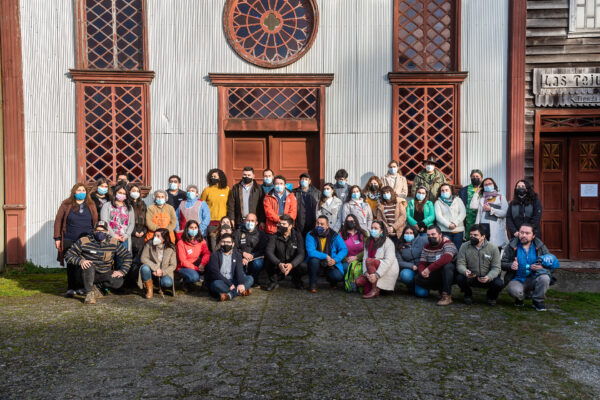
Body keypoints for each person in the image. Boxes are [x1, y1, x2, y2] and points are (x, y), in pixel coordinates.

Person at [64, 221, 132, 305]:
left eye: (103, 231)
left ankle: (97, 288)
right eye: (98, 230)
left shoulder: (113, 242)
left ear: (107, 231)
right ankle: (89, 293)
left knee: (118, 281)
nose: (100, 233)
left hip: (103, 273)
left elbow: (127, 255)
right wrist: (81, 261)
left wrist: (122, 271)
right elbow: (68, 255)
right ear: (93, 231)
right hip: (85, 273)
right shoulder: (84, 240)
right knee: (89, 265)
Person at [54, 182, 98, 297]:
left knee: (84, 264)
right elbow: (58, 221)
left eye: (83, 190)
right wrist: (57, 238)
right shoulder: (66, 204)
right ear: (74, 192)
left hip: (86, 240)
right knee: (72, 263)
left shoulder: (91, 204)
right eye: (79, 190)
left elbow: (95, 221)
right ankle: (71, 288)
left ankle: (82, 287)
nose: (81, 192)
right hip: (70, 238)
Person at [501, 223, 558, 311]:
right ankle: (520, 297)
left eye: (527, 233)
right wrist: (510, 265)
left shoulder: (540, 247)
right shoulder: (512, 246)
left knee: (545, 278)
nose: (523, 235)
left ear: (533, 236)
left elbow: (552, 263)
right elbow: (502, 263)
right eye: (521, 232)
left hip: (534, 278)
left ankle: (538, 301)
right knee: (514, 291)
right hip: (517, 279)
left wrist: (542, 267)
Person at [455, 224, 503, 305]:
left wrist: (489, 277)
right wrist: (465, 271)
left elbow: (496, 268)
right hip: (472, 277)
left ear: (483, 236)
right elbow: (460, 263)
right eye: (471, 235)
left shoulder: (493, 248)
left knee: (499, 283)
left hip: (487, 277)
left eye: (475, 235)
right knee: (459, 278)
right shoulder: (464, 246)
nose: (472, 237)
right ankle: (468, 294)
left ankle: (491, 297)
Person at [354, 221, 400, 299]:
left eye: (376, 228)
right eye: (372, 228)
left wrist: (376, 275)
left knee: (369, 260)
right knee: (358, 282)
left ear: (381, 231)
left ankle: (375, 289)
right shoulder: (368, 242)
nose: (373, 230)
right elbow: (364, 258)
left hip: (387, 270)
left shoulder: (388, 242)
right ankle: (377, 287)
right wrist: (366, 273)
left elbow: (388, 261)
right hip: (371, 269)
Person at [415, 225, 458, 306]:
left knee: (448, 266)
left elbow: (447, 257)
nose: (430, 237)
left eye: (433, 234)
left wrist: (429, 269)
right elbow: (422, 262)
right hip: (435, 273)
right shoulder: (426, 246)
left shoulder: (448, 243)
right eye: (428, 235)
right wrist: (423, 272)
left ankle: (447, 295)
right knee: (418, 278)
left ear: (440, 235)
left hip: (450, 274)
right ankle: (441, 288)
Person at [305, 215, 348, 293]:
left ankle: (331, 280)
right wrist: (325, 256)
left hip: (330, 263)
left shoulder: (334, 235)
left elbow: (344, 249)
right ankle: (313, 284)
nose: (319, 226)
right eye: (317, 223)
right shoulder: (310, 234)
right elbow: (311, 252)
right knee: (314, 260)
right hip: (316, 262)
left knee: (338, 276)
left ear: (327, 226)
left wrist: (335, 260)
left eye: (322, 224)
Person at [264, 214, 307, 290]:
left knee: (303, 265)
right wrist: (278, 263)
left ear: (290, 226)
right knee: (268, 261)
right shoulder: (274, 236)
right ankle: (273, 281)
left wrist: (292, 265)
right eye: (280, 224)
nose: (281, 226)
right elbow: (269, 251)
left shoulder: (297, 236)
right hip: (279, 264)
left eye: (284, 224)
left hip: (292, 264)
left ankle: (296, 280)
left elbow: (301, 254)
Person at [205, 233, 254, 301]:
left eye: (228, 242)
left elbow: (239, 271)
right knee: (216, 284)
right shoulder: (214, 255)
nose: (225, 244)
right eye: (223, 242)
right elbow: (215, 274)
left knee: (250, 279)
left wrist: (241, 283)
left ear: (233, 244)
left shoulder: (237, 255)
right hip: (221, 281)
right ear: (220, 242)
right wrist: (229, 284)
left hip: (233, 281)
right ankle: (241, 291)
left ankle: (230, 295)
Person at [470, 177, 509, 249]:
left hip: (496, 228)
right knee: (483, 249)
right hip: (482, 226)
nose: (488, 185)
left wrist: (491, 209)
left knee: (495, 249)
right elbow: (473, 206)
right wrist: (476, 193)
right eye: (485, 185)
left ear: (494, 185)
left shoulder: (500, 197)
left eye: (490, 183)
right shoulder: (481, 198)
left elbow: (504, 213)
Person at [138, 228, 177, 298]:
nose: (155, 238)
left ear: (164, 238)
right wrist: (155, 268)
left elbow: (173, 265)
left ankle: (160, 287)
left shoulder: (171, 248)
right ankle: (149, 289)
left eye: (158, 236)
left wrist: (162, 272)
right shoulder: (149, 244)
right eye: (155, 235)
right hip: (151, 269)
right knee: (144, 268)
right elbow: (143, 258)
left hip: (164, 271)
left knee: (167, 283)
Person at [233, 213, 267, 286]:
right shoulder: (238, 232)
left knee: (257, 264)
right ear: (245, 221)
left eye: (252, 221)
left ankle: (254, 280)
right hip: (241, 259)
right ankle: (245, 282)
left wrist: (251, 256)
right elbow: (234, 247)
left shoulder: (261, 234)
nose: (250, 222)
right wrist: (243, 254)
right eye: (248, 220)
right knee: (239, 267)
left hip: (255, 258)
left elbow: (262, 250)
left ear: (256, 223)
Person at [176, 220, 210, 290]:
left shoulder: (201, 240)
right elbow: (183, 261)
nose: (194, 230)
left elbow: (207, 253)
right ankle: (185, 282)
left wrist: (202, 264)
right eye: (191, 228)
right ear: (187, 229)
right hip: (183, 267)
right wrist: (197, 268)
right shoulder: (181, 242)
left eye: (195, 227)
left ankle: (206, 284)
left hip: (197, 263)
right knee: (194, 277)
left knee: (211, 264)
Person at [100, 183, 135, 251]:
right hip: (110, 238)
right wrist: (114, 235)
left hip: (124, 239)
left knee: (123, 260)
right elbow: (104, 222)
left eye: (124, 193)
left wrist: (126, 235)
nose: (122, 195)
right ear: (115, 193)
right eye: (120, 192)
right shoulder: (107, 205)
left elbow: (131, 223)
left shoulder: (129, 207)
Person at [396, 223, 428, 292]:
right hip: (410, 269)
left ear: (414, 234)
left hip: (422, 269)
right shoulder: (400, 245)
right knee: (405, 275)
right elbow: (399, 262)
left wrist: (444, 238)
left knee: (422, 293)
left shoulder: (422, 240)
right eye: (407, 233)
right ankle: (411, 285)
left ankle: (419, 286)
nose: (409, 235)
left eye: (411, 233)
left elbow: (433, 239)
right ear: (403, 234)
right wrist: (411, 266)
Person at [434, 183, 466, 252]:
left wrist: (455, 223)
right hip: (444, 231)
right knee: (446, 252)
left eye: (446, 190)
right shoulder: (437, 202)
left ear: (451, 191)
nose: (444, 192)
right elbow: (438, 216)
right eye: (442, 191)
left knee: (457, 251)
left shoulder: (458, 200)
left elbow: (463, 213)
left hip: (458, 231)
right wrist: (448, 225)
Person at [201, 168, 230, 235]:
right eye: (211, 177)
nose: (212, 178)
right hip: (211, 222)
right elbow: (201, 205)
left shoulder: (227, 190)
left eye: (215, 176)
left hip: (223, 221)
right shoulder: (207, 190)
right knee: (213, 242)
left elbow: (230, 205)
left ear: (220, 178)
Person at [459, 169, 483, 240]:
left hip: (481, 218)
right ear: (470, 177)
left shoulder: (485, 190)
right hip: (468, 219)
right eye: (473, 176)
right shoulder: (463, 190)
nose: (475, 178)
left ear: (481, 178)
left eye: (477, 176)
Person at [128, 184, 147, 265]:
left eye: (137, 191)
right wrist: (133, 232)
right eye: (133, 191)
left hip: (142, 233)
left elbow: (146, 219)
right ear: (129, 192)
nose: (135, 193)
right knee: (130, 257)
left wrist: (144, 231)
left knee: (140, 257)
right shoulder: (127, 204)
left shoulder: (143, 204)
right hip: (131, 233)